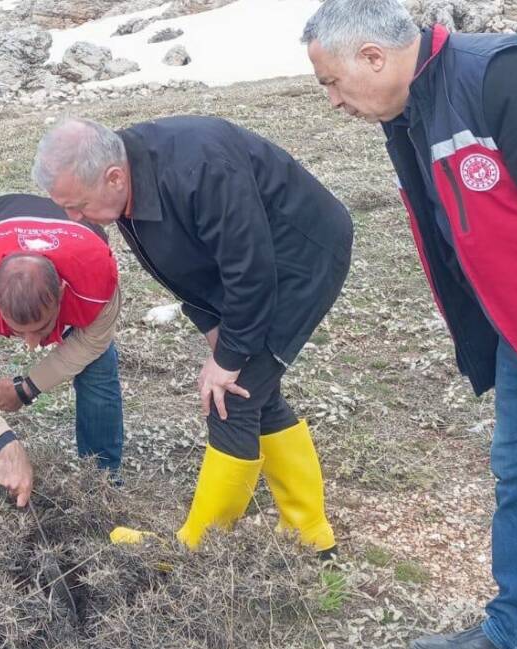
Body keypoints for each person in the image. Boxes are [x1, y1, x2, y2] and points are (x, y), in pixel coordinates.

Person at [303, 1, 517, 648]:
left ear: (373, 58)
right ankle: (512, 631)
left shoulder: (502, 74)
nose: (333, 102)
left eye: (331, 82)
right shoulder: (413, 107)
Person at [32, 116, 353, 554]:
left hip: (299, 261)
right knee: (256, 391)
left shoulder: (200, 168)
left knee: (232, 399)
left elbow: (251, 270)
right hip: (250, 271)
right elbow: (185, 266)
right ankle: (311, 534)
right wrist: (214, 327)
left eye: (76, 205)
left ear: (113, 176)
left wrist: (231, 355)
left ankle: (196, 552)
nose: (71, 217)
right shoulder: (123, 184)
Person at [0, 193, 124, 507]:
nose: (31, 345)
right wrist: (5, 444)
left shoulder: (98, 279)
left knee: (98, 366)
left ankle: (102, 486)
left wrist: (27, 388)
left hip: (78, 248)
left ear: (62, 293)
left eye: (41, 329)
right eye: (18, 330)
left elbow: (90, 343)